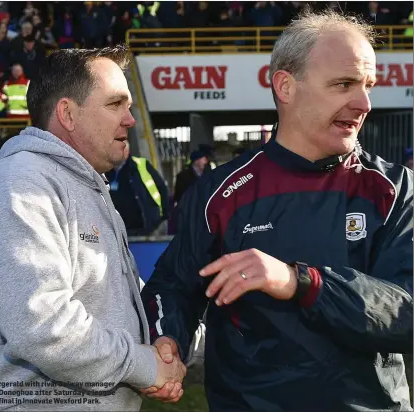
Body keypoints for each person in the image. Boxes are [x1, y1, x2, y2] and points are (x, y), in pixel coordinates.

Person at [141, 9, 413, 412]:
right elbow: (174, 286)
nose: (365, 103)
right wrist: (168, 341)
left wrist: (300, 281)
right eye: (344, 84)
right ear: (285, 87)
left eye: (368, 85)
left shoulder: (394, 189)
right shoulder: (221, 192)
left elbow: (407, 312)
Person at [0, 46, 186, 412]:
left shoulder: (88, 186)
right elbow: (43, 327)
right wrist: (146, 366)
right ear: (67, 113)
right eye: (115, 104)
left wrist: (172, 343)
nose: (130, 119)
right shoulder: (19, 183)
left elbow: (120, 301)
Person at [104, 146, 170, 236]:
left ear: (128, 150)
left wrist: (164, 216)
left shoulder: (140, 165)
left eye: (124, 148)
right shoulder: (105, 169)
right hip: (116, 229)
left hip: (143, 227)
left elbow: (162, 188)